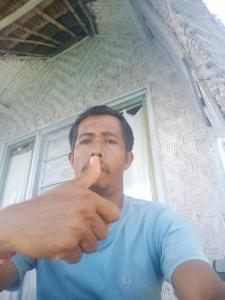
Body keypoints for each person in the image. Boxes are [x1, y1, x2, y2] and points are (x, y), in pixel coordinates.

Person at [0, 105, 224, 300]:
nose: (96, 150)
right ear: (71, 159)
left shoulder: (160, 222)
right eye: (86, 140)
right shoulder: (42, 221)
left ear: (128, 159)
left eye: (109, 140)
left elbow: (204, 291)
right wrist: (6, 228)